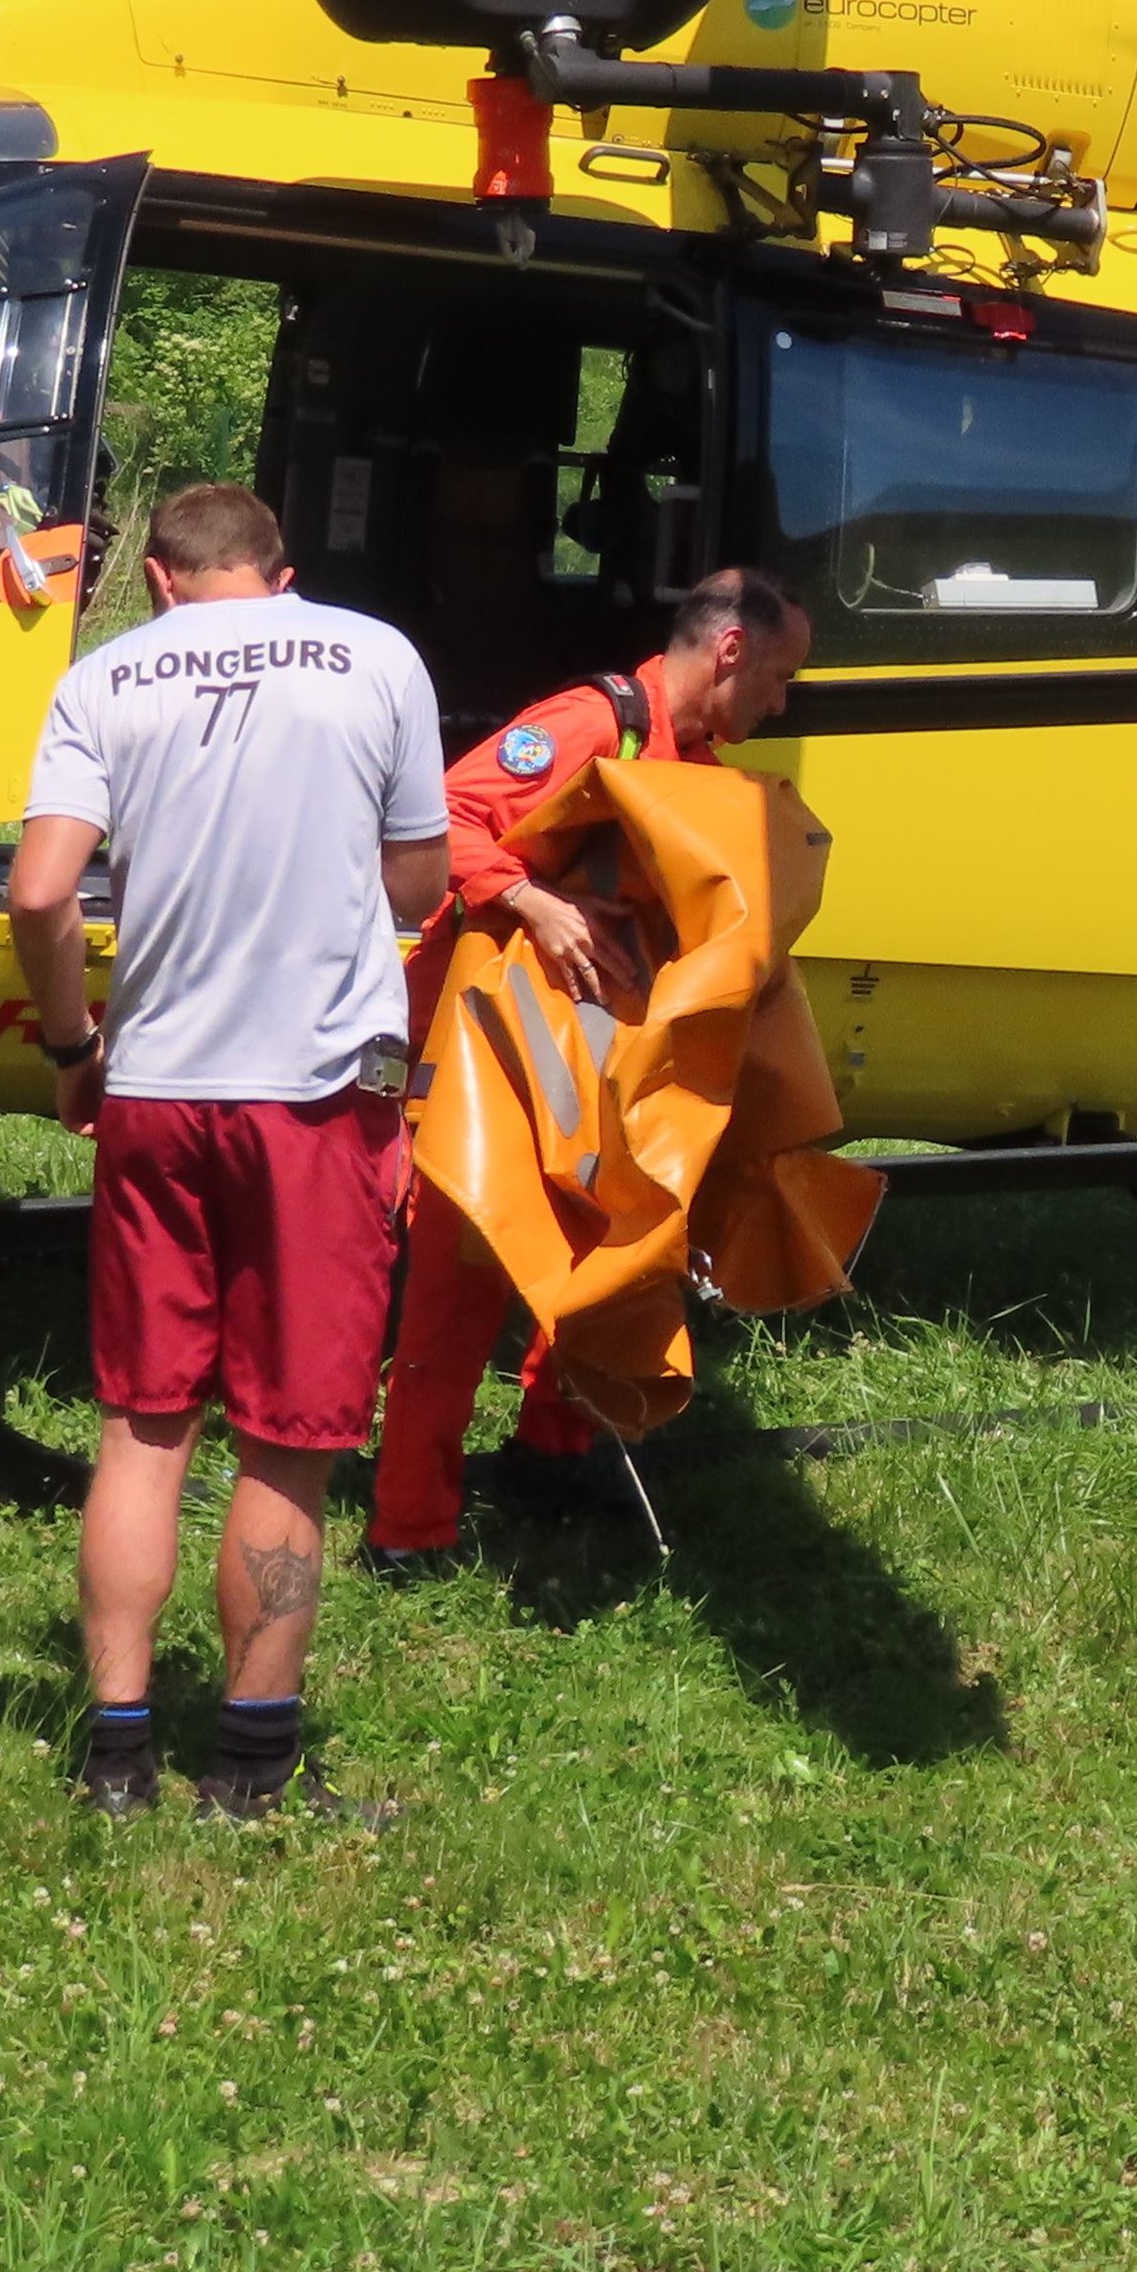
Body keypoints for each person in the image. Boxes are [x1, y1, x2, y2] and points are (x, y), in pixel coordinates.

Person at [11, 478, 448, 1821]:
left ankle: (118, 1756)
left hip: (154, 1088)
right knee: (288, 1438)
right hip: (313, 1098)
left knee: (145, 1426)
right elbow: (421, 884)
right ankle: (252, 1769)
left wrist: (73, 1048)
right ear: (283, 570)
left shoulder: (105, 678)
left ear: (159, 579)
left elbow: (38, 889)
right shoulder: (375, 655)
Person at [364, 570, 812, 1571]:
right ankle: (408, 1531)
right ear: (730, 652)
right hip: (483, 1053)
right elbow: (447, 812)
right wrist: (531, 901)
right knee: (459, 1283)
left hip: (584, 1054)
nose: (782, 704)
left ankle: (549, 1449)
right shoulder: (590, 723)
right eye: (778, 677)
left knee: (605, 1253)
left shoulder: (696, 763)